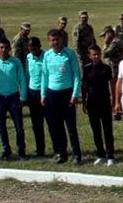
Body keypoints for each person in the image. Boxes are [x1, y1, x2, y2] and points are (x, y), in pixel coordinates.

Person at [40, 29, 82, 164]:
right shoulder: (47, 55)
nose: (55, 42)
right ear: (49, 41)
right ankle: (62, 153)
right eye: (52, 40)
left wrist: (75, 94)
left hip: (67, 94)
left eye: (57, 39)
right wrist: (43, 94)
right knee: (57, 126)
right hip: (52, 94)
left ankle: (76, 155)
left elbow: (76, 74)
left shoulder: (69, 54)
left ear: (61, 40)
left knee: (71, 127)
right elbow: (44, 75)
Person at [81, 45, 114, 165]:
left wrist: (113, 100)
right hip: (92, 102)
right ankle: (101, 154)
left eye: (98, 54)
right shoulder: (87, 69)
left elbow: (111, 84)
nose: (96, 57)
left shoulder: (106, 68)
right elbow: (84, 86)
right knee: (96, 130)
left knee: (107, 130)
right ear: (89, 56)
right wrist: (84, 101)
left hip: (105, 101)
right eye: (93, 54)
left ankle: (110, 155)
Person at [0, 38, 27, 160]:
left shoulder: (15, 62)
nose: (4, 50)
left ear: (10, 48)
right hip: (0, 98)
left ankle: (21, 151)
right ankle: (6, 150)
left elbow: (22, 80)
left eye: (6, 47)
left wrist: (23, 97)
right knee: (1, 126)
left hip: (14, 98)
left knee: (19, 126)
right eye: (1, 47)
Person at [25, 37, 47, 157]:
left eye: (35, 47)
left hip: (45, 93)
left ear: (40, 46)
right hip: (33, 93)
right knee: (36, 124)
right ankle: (40, 149)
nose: (33, 50)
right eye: (30, 48)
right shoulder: (28, 58)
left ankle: (57, 149)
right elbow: (28, 76)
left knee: (51, 122)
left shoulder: (46, 56)